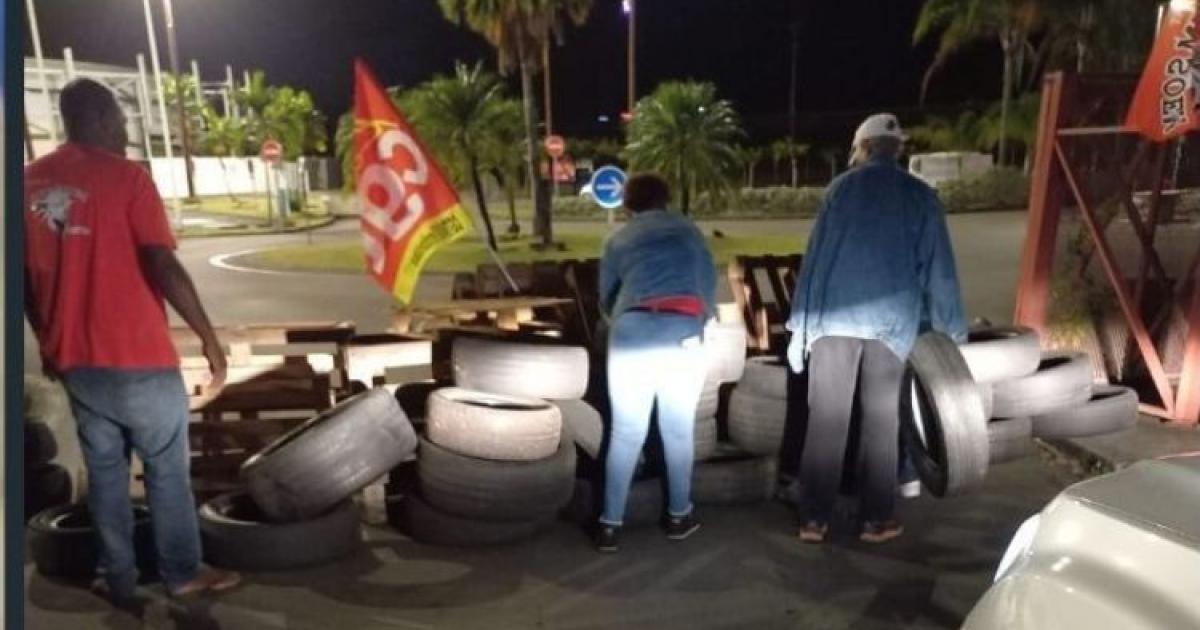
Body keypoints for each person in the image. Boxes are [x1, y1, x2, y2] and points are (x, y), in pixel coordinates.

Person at [24, 79, 240, 604]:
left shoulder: (24, 184)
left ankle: (116, 575)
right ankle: (182, 572)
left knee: (105, 475)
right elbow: (161, 261)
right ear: (99, 117)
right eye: (120, 119)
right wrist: (208, 337)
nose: (124, 130)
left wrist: (50, 343)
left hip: (77, 361)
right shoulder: (128, 179)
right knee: (166, 472)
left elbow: (23, 280)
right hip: (138, 357)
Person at [785, 113, 967, 544]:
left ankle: (814, 518)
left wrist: (800, 328)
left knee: (826, 420)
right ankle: (876, 520)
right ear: (898, 149)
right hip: (891, 325)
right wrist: (951, 331)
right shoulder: (920, 196)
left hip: (833, 322)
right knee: (882, 421)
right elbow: (939, 270)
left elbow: (814, 263)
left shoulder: (840, 190)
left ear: (861, 148)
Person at [594, 173, 716, 553]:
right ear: (666, 199)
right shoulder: (691, 233)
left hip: (632, 332)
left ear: (628, 204)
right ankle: (679, 516)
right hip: (682, 332)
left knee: (626, 433)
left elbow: (606, 296)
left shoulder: (618, 238)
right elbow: (707, 288)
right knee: (678, 432)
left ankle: (609, 526)